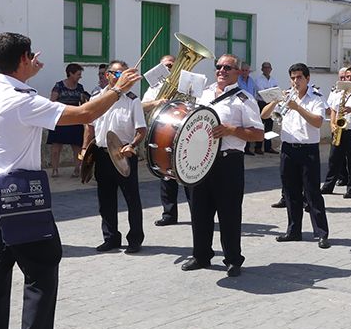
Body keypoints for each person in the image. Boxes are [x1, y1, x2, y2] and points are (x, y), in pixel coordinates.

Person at [0, 32, 140, 329]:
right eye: (30, 56)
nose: (35, 60)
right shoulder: (22, 100)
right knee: (42, 271)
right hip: (20, 198)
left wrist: (26, 72)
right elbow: (86, 113)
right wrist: (118, 88)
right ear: (22, 59)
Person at [181, 54, 264, 277]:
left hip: (228, 161)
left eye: (227, 67)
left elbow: (258, 134)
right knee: (199, 211)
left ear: (238, 72)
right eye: (219, 66)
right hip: (200, 161)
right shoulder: (203, 93)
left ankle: (233, 259)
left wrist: (232, 130)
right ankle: (201, 255)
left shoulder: (244, 99)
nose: (221, 71)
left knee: (229, 213)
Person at [262, 63, 331, 249]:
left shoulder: (316, 98)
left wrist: (297, 108)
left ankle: (322, 233)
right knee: (290, 192)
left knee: (312, 193)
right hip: (288, 150)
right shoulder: (286, 97)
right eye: (292, 78)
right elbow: (264, 115)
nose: (295, 81)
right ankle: (294, 231)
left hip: (308, 150)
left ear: (307, 79)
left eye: (299, 77)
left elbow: (318, 122)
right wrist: (276, 101)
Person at [83, 60, 147, 254]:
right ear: (107, 75)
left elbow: (141, 130)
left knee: (132, 199)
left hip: (123, 155)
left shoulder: (133, 100)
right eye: (117, 74)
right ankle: (110, 238)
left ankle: (135, 239)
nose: (121, 77)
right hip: (102, 154)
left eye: (124, 74)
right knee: (105, 200)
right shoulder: (97, 97)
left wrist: (132, 145)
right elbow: (89, 126)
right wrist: (85, 148)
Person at [142, 54, 185, 227]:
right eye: (166, 65)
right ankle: (169, 214)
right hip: (163, 133)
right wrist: (157, 103)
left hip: (183, 132)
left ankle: (198, 214)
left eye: (172, 65)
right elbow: (143, 106)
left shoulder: (186, 84)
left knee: (188, 175)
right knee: (166, 174)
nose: (169, 68)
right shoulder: (154, 87)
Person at [321, 66, 351, 197]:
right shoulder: (339, 92)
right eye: (347, 77)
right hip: (339, 130)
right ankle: (328, 186)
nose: (348, 79)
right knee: (334, 159)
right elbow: (333, 110)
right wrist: (332, 124)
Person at [47, 64, 90, 178]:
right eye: (78, 74)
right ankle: (55, 170)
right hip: (60, 120)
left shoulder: (80, 87)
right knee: (56, 147)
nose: (80, 77)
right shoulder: (59, 86)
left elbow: (83, 102)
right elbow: (52, 102)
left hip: (75, 120)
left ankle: (77, 169)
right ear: (70, 73)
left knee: (77, 147)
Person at [254, 61, 279, 154]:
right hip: (261, 104)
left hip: (271, 104)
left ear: (271, 69)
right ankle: (258, 147)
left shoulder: (273, 80)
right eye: (265, 67)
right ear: (262, 69)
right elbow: (262, 92)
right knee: (260, 126)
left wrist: (269, 92)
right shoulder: (258, 80)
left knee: (269, 126)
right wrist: (270, 93)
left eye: (268, 67)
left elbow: (276, 91)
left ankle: (268, 147)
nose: (267, 69)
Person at [237, 62, 258, 155]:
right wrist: (246, 101)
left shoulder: (251, 81)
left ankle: (248, 149)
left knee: (249, 126)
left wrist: (252, 103)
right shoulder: (237, 80)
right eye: (243, 70)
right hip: (241, 105)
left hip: (250, 106)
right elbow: (237, 92)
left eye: (246, 70)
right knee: (241, 127)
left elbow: (254, 93)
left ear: (249, 71)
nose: (244, 72)